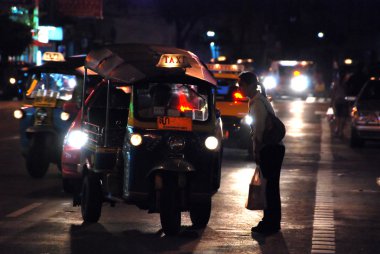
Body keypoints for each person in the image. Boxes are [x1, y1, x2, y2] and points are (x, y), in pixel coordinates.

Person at [238, 71, 285, 235]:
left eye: (241, 85)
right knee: (271, 187)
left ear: (250, 85)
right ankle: (272, 221)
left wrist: (256, 150)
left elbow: (258, 130)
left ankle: (270, 223)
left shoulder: (257, 102)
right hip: (275, 148)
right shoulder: (261, 99)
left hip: (269, 148)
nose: (240, 88)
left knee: (269, 188)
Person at [330, 70, 350, 138]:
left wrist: (331, 102)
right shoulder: (346, 84)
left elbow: (333, 93)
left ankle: (338, 129)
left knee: (338, 116)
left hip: (337, 101)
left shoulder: (337, 84)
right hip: (343, 101)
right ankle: (340, 131)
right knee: (343, 116)